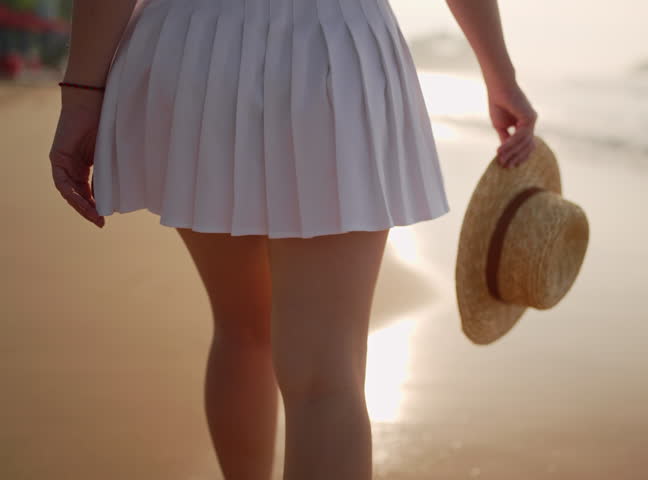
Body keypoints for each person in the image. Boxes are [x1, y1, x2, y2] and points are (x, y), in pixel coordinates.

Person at [49, 0, 537, 478]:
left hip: (196, 48)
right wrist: (500, 75)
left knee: (241, 330)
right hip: (336, 48)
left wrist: (82, 95)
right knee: (326, 375)